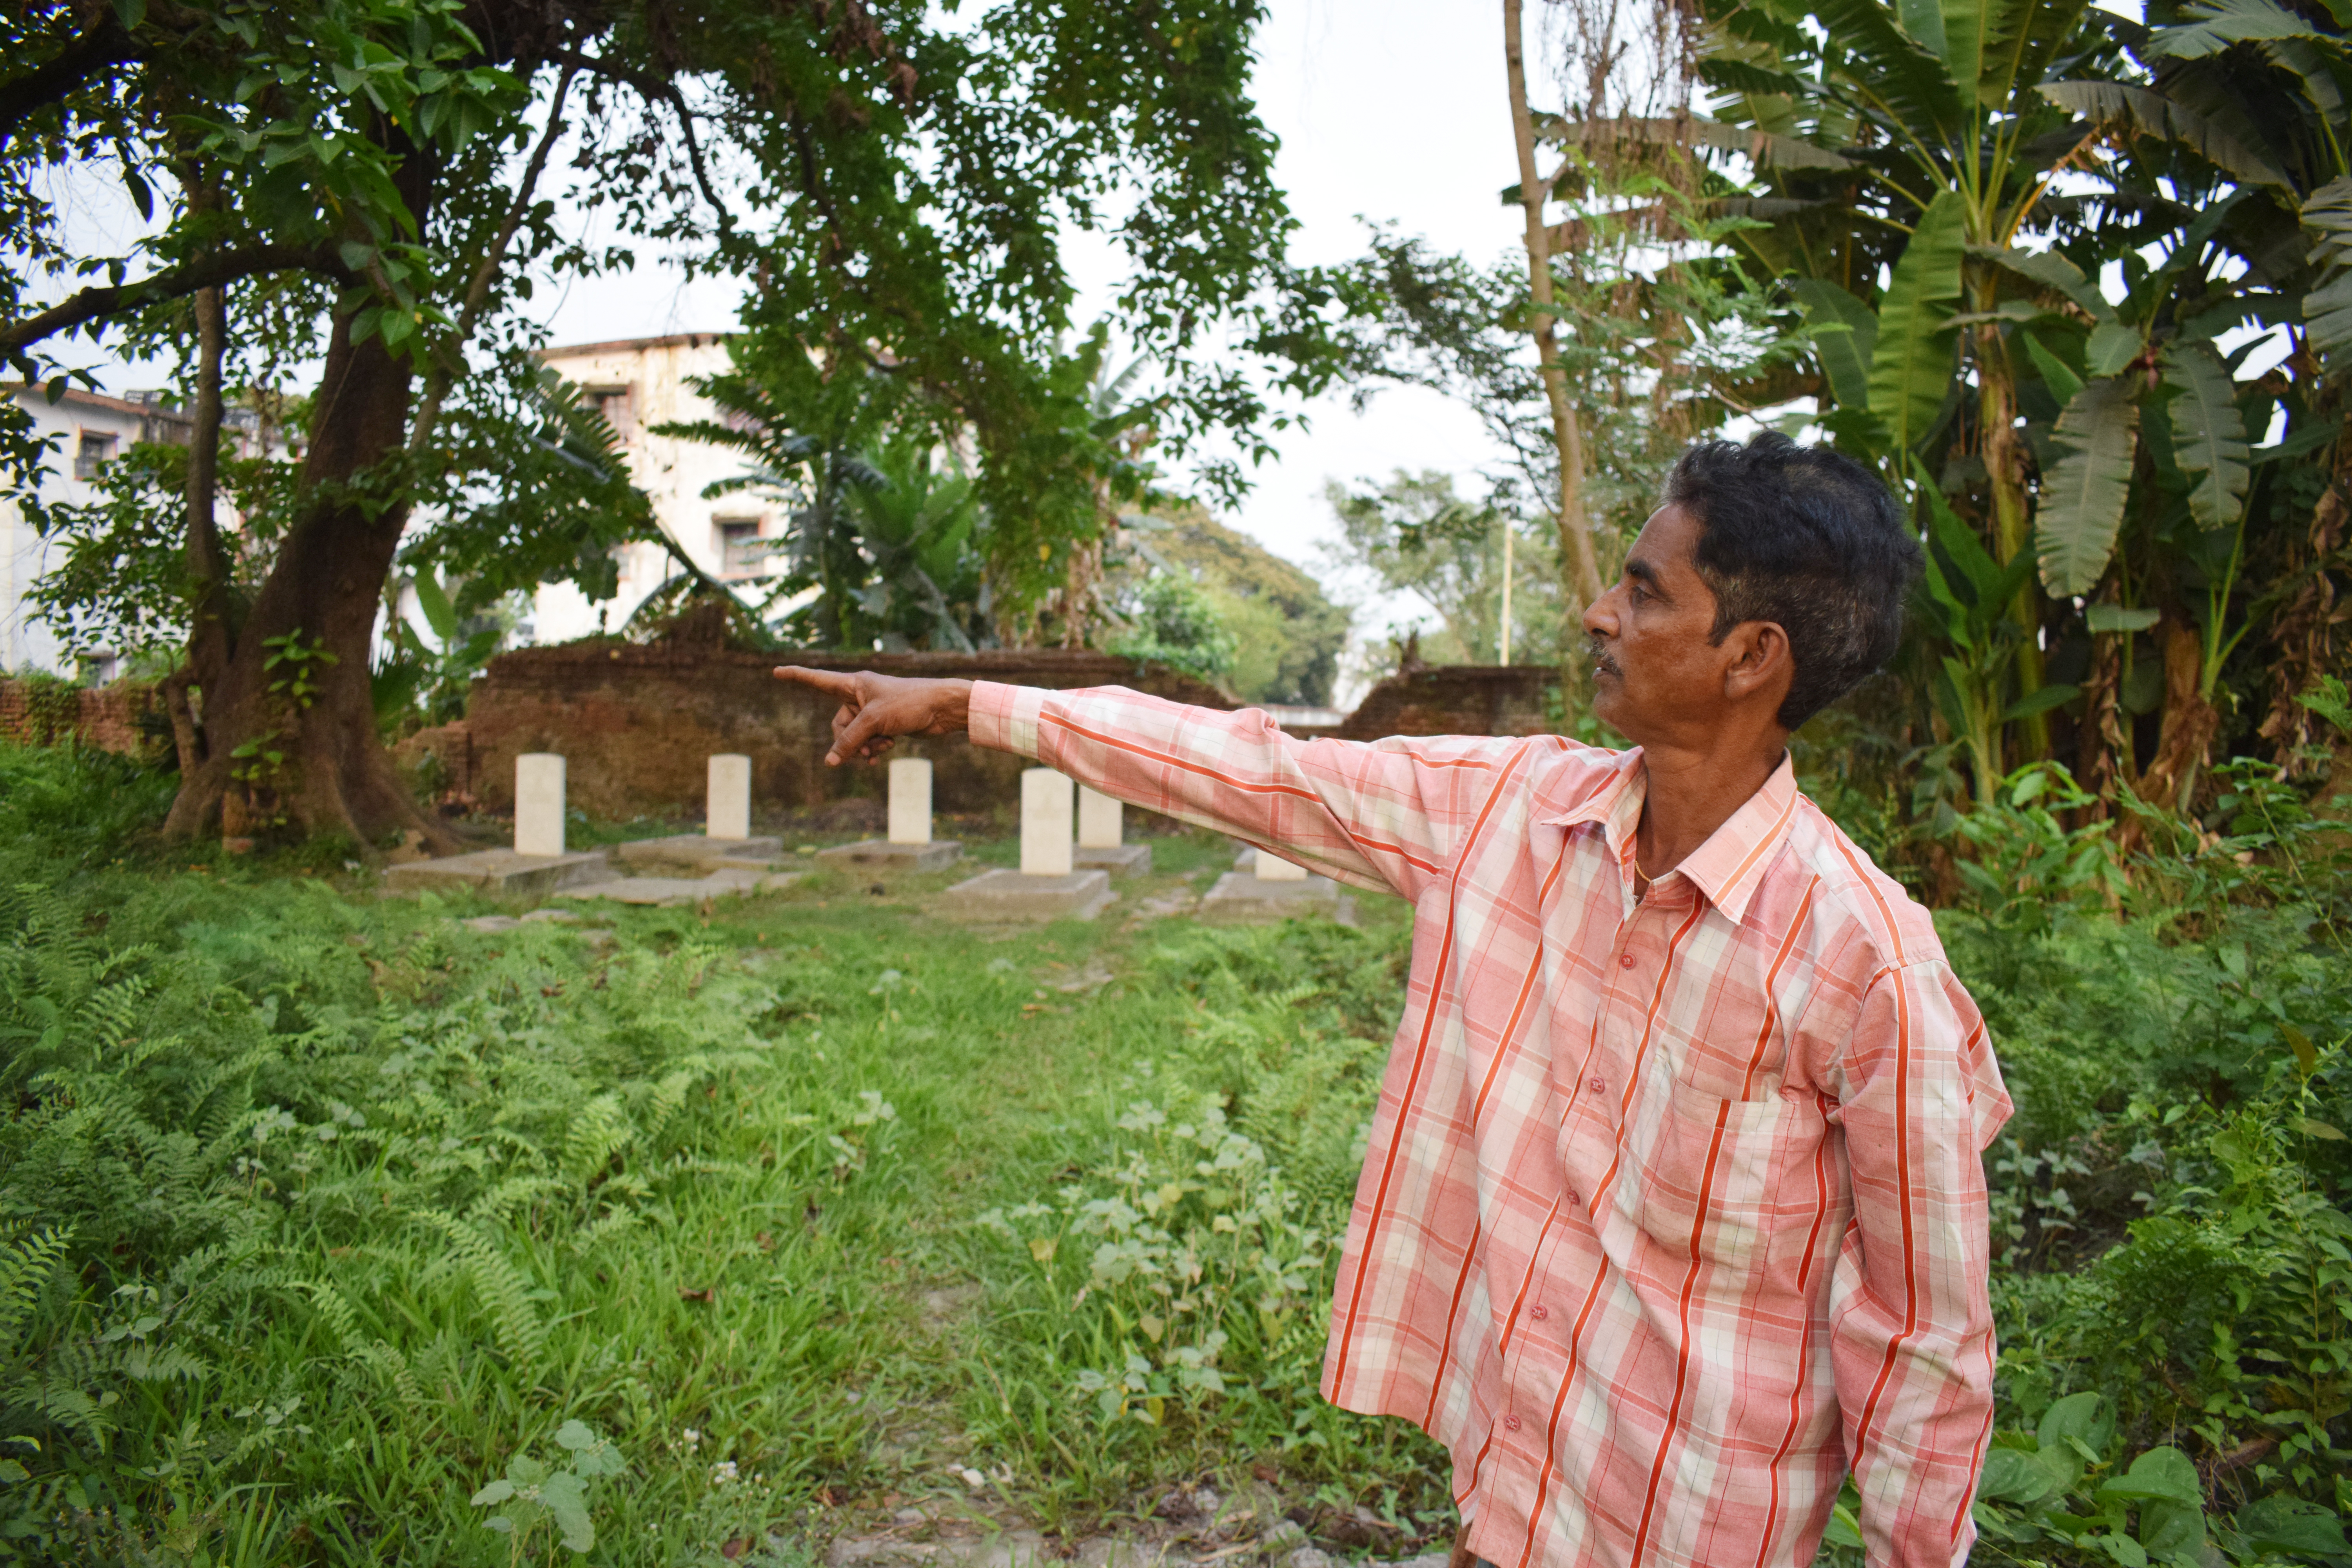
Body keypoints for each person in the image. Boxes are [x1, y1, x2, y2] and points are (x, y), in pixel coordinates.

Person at [773, 433, 2010, 1568]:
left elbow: (1924, 1344)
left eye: (1643, 590)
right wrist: (966, 705)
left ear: (1752, 657)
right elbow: (1259, 771)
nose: (1599, 611)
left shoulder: (1867, 966)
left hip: (1691, 1526)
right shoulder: (1510, 815)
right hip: (1511, 1492)